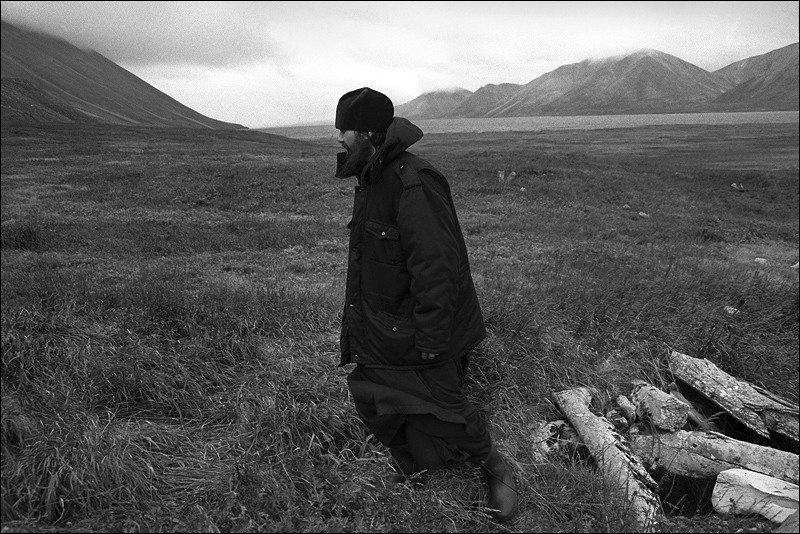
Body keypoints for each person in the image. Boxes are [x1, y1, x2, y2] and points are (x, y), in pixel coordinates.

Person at [333, 86, 519, 522]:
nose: (338, 139)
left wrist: (434, 337)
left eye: (344, 130)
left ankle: (496, 467)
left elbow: (437, 266)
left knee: (445, 413)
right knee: (373, 399)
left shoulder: (412, 182)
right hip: (385, 325)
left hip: (422, 330)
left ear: (367, 134)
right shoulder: (374, 178)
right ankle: (413, 468)